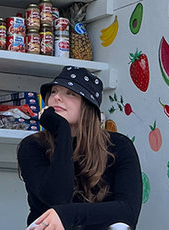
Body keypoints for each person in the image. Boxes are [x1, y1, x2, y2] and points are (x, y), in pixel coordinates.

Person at [17, 66, 143, 230]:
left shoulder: (118, 146)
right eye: (54, 91)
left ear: (88, 106)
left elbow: (128, 212)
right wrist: (62, 130)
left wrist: (68, 214)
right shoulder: (33, 146)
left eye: (70, 93)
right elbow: (57, 198)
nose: (57, 98)